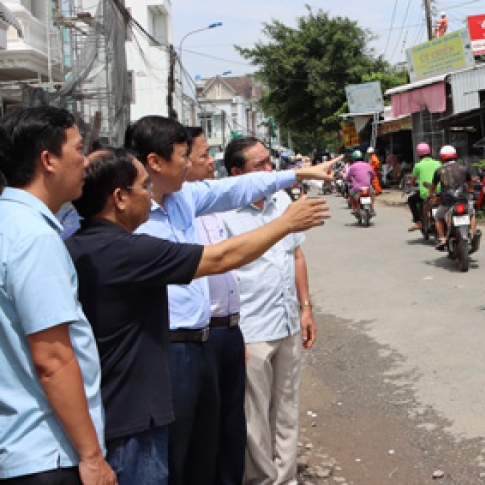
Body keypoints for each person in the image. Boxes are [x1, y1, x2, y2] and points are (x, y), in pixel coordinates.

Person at [65, 149, 329, 485]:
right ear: (119, 197)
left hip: (122, 400)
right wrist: (286, 223)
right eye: (144, 188)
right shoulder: (126, 250)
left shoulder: (78, 242)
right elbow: (220, 258)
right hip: (131, 413)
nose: (151, 197)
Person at [125, 116, 337, 485]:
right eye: (183, 155)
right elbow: (220, 259)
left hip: (203, 340)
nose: (191, 163)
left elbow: (239, 187)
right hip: (167, 347)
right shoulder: (132, 220)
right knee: (176, 452)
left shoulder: (184, 198)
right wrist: (285, 224)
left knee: (213, 442)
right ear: (155, 162)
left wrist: (297, 176)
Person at [0, 107, 115, 485]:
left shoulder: (9, 223)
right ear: (48, 160)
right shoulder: (35, 239)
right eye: (78, 150)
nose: (86, 162)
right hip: (48, 451)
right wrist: (91, 456)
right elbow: (52, 358)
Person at [218, 138, 318, 485]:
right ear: (236, 173)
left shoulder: (281, 201)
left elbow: (296, 255)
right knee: (254, 416)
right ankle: (262, 479)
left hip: (286, 320)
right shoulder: (222, 214)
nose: (268, 170)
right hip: (251, 328)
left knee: (287, 407)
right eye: (258, 165)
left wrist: (305, 307)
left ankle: (285, 477)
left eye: (268, 163)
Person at [186, 129, 245, 485]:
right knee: (203, 433)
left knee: (232, 425)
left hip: (229, 330)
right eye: (204, 155)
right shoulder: (167, 215)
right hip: (198, 336)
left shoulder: (212, 211)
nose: (212, 162)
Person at [431, 145, 475, 251]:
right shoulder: (464, 168)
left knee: (437, 217)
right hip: (462, 200)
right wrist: (470, 190)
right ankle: (472, 235)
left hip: (447, 202)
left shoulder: (439, 171)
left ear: (442, 157)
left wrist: (431, 195)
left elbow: (432, 187)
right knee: (472, 214)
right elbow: (470, 184)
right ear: (455, 155)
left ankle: (442, 239)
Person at [407, 143, 440, 232]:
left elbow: (413, 181)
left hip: (426, 194)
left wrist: (410, 183)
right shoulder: (438, 163)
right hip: (439, 192)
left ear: (418, 154)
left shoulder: (418, 166)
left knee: (411, 200)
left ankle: (418, 222)